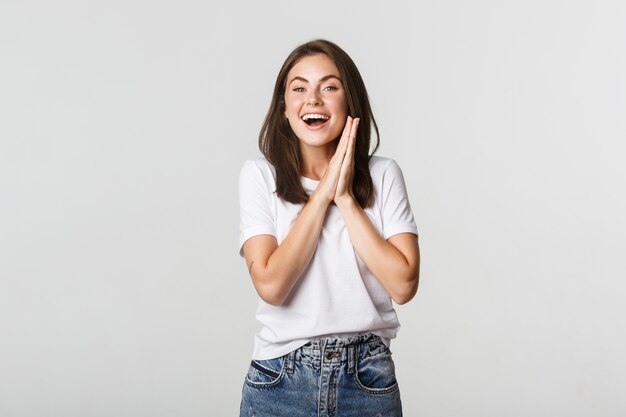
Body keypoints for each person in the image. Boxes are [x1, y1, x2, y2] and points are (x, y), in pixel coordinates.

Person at [238, 39, 420, 416]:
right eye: (300, 88)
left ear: (349, 101)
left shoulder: (384, 174)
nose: (313, 99)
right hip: (279, 380)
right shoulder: (258, 176)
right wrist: (322, 196)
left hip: (367, 379)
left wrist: (347, 199)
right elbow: (271, 285)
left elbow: (403, 285)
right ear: (285, 109)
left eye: (329, 87)